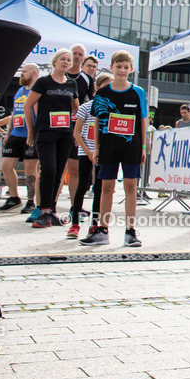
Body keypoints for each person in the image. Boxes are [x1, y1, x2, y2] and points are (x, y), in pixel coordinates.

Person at [81, 52, 148, 247]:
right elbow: (96, 120)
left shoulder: (138, 92)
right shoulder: (102, 93)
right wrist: (96, 148)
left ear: (131, 70)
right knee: (106, 188)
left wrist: (143, 147)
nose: (122, 70)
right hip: (108, 147)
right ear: (111, 67)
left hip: (131, 146)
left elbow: (143, 120)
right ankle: (102, 231)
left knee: (130, 187)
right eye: (118, 66)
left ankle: (130, 231)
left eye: (126, 67)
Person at [24, 48, 79, 228]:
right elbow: (28, 106)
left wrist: (76, 131)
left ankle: (51, 211)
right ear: (54, 62)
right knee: (48, 169)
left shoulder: (72, 84)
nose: (65, 62)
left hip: (65, 134)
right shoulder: (43, 82)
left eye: (68, 60)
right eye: (62, 59)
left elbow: (77, 109)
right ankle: (44, 211)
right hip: (46, 133)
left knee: (58, 173)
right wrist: (31, 132)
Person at [70, 72, 112, 240]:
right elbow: (77, 132)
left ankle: (95, 224)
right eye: (104, 86)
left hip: (103, 153)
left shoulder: (111, 107)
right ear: (96, 88)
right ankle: (74, 223)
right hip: (85, 152)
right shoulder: (86, 107)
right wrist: (88, 152)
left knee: (99, 188)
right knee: (82, 186)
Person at [0, 62, 40, 212]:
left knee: (30, 170)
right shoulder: (20, 91)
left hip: (30, 134)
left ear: (34, 73)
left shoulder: (38, 90)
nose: (22, 74)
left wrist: (35, 133)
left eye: (25, 71)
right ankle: (14, 197)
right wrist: (8, 133)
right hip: (16, 133)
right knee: (6, 165)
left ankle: (31, 201)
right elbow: (15, 113)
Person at [63, 44, 93, 212]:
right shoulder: (60, 74)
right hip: (57, 127)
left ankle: (75, 207)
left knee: (74, 170)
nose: (76, 56)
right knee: (57, 170)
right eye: (73, 53)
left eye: (79, 54)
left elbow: (89, 105)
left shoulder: (87, 79)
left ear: (83, 58)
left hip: (76, 128)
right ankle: (48, 206)